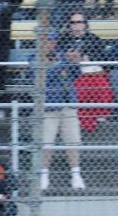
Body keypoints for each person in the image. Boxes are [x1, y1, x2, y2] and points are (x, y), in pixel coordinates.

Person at [37, 42, 85, 191]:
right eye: (47, 41)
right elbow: (42, 77)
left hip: (68, 104)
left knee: (73, 140)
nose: (50, 45)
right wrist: (62, 64)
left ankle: (76, 174)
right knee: (46, 142)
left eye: (52, 41)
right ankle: (44, 175)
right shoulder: (35, 58)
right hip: (49, 106)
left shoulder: (63, 57)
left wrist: (75, 61)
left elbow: (76, 74)